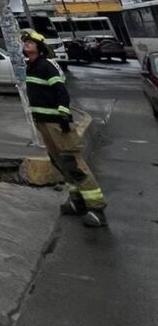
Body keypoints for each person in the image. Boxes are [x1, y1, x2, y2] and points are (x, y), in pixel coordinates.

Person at [22, 30, 107, 228]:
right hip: (43, 122)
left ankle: (96, 208)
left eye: (30, 42)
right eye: (25, 42)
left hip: (56, 123)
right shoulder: (31, 67)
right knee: (59, 162)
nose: (26, 44)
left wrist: (63, 115)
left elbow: (61, 91)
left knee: (72, 162)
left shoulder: (46, 65)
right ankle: (77, 201)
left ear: (40, 47)